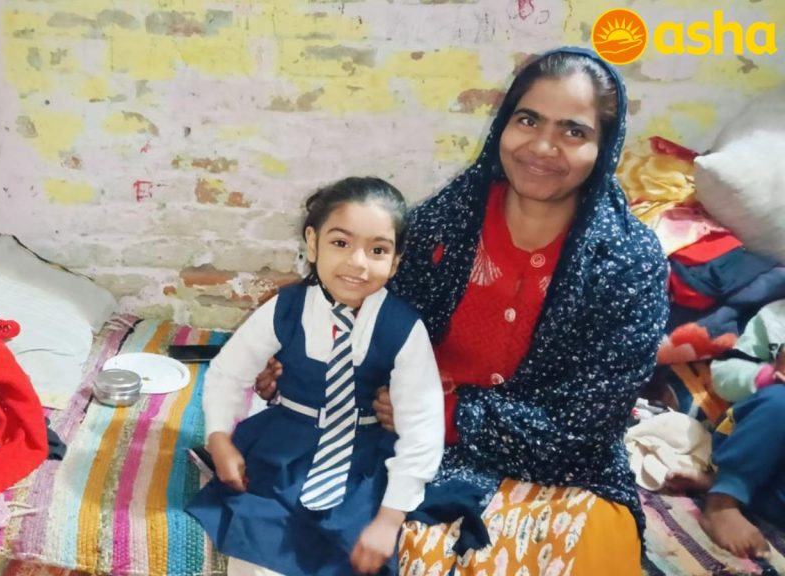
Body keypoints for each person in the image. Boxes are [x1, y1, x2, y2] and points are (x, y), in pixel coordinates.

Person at [256, 47, 668, 574]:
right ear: (503, 125)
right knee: (342, 536)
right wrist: (291, 357)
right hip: (412, 445)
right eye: (528, 120)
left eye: (573, 131)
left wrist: (446, 414)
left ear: (604, 147)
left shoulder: (629, 261)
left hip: (566, 470)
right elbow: (360, 311)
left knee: (584, 555)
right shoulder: (445, 224)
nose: (542, 146)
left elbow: (586, 428)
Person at [186, 177, 445, 576]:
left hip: (362, 459)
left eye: (377, 250)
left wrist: (390, 519)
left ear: (395, 262)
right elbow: (227, 373)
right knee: (256, 540)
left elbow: (423, 426)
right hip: (284, 446)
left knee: (350, 551)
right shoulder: (286, 308)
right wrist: (219, 438)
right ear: (313, 243)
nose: (358, 262)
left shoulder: (404, 328)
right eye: (341, 243)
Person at [665, 299, 785, 559]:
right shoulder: (774, 320)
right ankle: (723, 501)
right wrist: (766, 376)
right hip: (752, 436)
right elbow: (725, 374)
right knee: (780, 401)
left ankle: (720, 484)